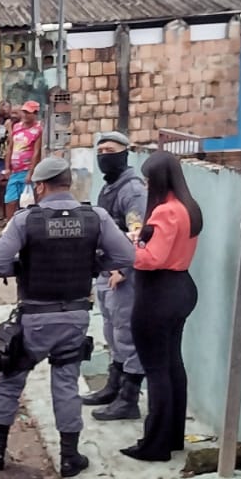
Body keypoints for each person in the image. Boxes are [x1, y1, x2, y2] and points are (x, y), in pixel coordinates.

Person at [0, 157, 133, 479]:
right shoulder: (95, 217)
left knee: (10, 380)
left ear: (41, 186)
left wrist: (21, 268)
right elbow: (126, 256)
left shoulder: (25, 220)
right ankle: (70, 458)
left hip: (34, 319)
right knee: (66, 385)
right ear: (68, 183)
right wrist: (93, 266)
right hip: (75, 318)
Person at [123, 151, 203, 463]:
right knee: (171, 365)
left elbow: (150, 258)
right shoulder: (188, 208)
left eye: (147, 180)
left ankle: (155, 445)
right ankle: (171, 437)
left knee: (156, 370)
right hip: (181, 287)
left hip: (158, 293)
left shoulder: (165, 212)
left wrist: (131, 243)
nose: (145, 186)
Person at [82, 131, 148, 420]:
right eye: (100, 151)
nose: (103, 156)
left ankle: (129, 399)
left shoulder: (132, 190)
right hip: (106, 269)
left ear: (125, 153)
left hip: (124, 274)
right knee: (110, 330)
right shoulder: (111, 187)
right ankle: (113, 386)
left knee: (126, 334)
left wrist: (124, 268)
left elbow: (139, 234)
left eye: (110, 150)